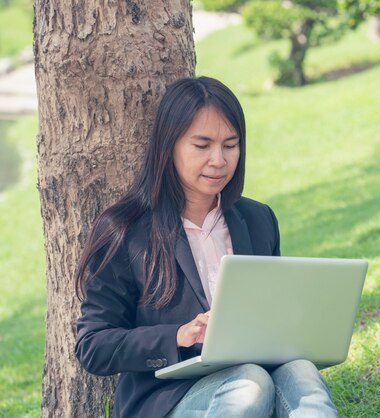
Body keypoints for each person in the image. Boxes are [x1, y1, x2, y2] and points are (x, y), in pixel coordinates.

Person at [74, 76, 340, 418]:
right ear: (169, 146)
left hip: (255, 378)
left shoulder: (258, 221)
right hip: (168, 400)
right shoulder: (126, 231)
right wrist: (179, 336)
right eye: (202, 146)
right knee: (250, 382)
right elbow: (93, 345)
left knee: (301, 370)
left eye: (230, 145)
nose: (219, 160)